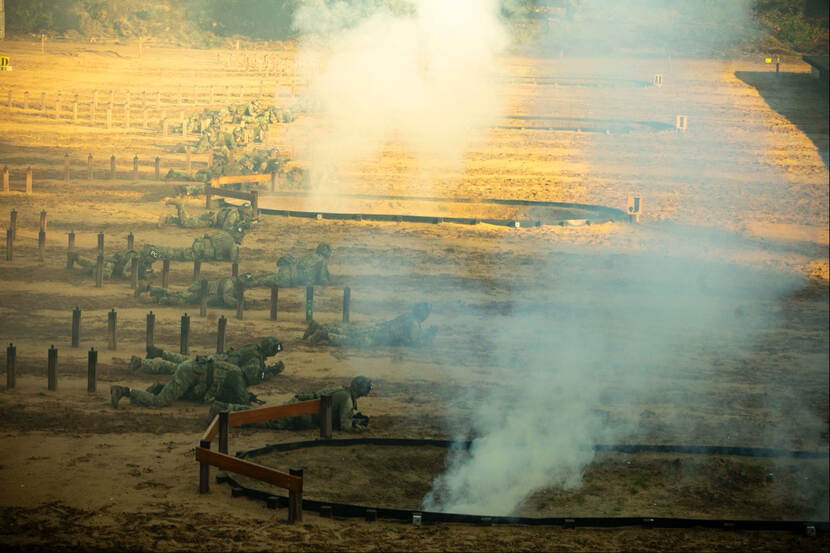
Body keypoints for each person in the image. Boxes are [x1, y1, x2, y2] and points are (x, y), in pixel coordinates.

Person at [111, 337, 284, 409]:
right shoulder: (245, 370)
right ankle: (125, 391)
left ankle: (158, 384)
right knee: (160, 401)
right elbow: (241, 401)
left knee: (181, 368)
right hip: (193, 372)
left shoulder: (250, 353)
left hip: (202, 367)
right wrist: (249, 396)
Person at [211, 376, 373, 432]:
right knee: (265, 419)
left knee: (268, 414)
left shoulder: (339, 390)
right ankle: (224, 412)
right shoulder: (346, 399)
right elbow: (345, 426)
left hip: (300, 406)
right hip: (301, 415)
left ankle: (224, 408)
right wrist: (359, 427)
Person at [304, 302, 438, 347]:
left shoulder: (409, 316)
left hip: (380, 328)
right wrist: (429, 335)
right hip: (381, 336)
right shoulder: (413, 323)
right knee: (352, 341)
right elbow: (414, 342)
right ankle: (324, 334)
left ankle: (320, 328)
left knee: (351, 332)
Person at [139, 272, 255, 308]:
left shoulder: (233, 283)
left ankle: (155, 294)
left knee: (179, 297)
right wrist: (240, 304)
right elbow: (227, 298)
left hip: (203, 293)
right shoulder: (230, 285)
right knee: (180, 298)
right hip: (200, 291)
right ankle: (151, 291)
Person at [262, 243, 331, 287]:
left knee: (264, 280)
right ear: (327, 253)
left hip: (286, 271)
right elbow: (323, 280)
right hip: (290, 280)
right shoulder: (322, 260)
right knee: (264, 281)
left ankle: (251, 277)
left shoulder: (308, 256)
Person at [70, 248, 153, 281]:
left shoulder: (142, 261)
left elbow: (147, 270)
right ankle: (86, 266)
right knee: (105, 274)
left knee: (96, 264)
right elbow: (124, 273)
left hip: (114, 262)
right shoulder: (135, 258)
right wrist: (134, 276)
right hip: (113, 261)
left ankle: (78, 258)